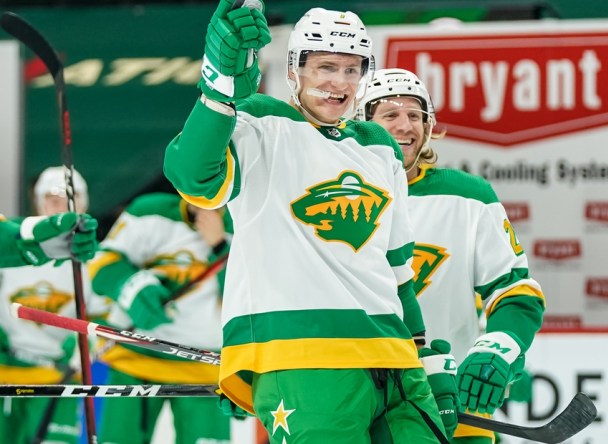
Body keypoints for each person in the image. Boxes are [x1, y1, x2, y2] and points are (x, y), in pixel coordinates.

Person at [163, 2, 451, 443]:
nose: (339, 83)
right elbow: (193, 177)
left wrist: (424, 356)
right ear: (295, 70)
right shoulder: (259, 122)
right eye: (326, 67)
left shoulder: (378, 146)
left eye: (352, 70)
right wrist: (219, 91)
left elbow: (397, 271)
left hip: (394, 360)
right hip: (304, 359)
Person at [358, 68, 546, 443]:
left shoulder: (469, 197)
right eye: (389, 115)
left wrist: (499, 347)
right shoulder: (334, 194)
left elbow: (515, 292)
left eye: (415, 115)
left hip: (450, 400)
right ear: (361, 123)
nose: (405, 125)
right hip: (355, 399)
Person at [88, 192, 232, 444]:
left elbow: (252, 296)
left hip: (206, 368)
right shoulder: (149, 210)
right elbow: (102, 263)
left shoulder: (247, 220)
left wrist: (220, 246)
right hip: (136, 358)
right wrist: (133, 287)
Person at [0, 166, 105, 444]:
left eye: (69, 200)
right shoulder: (14, 247)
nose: (59, 207)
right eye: (52, 199)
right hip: (6, 371)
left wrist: (85, 346)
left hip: (56, 377)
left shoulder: (90, 257)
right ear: (38, 201)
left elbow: (106, 316)